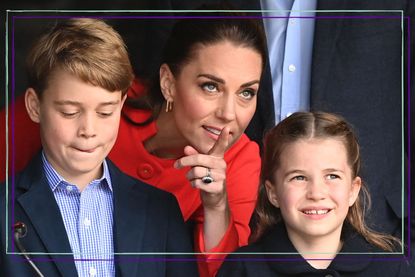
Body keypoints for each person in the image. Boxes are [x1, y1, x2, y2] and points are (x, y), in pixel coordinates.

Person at [1, 7, 267, 277]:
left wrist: (216, 206)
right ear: (168, 83)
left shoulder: (239, 160)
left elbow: (222, 271)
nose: (229, 113)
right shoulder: (97, 88)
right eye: (210, 86)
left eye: (247, 92)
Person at [217, 111, 413, 276]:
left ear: (353, 190)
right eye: (299, 178)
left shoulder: (392, 266)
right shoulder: (242, 268)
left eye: (332, 176)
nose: (316, 193)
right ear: (273, 192)